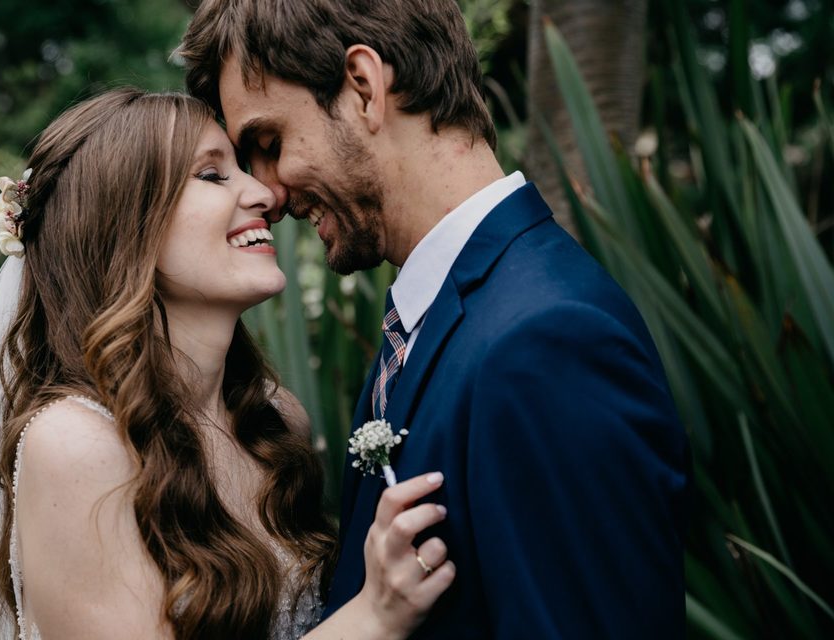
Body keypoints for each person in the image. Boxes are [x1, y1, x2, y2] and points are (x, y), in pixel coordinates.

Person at [178, 1, 691, 638]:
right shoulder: (437, 319)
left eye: (269, 143)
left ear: (364, 87)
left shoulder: (546, 341)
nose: (270, 193)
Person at [0, 88, 457, 639]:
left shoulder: (273, 422)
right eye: (212, 175)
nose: (266, 194)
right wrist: (374, 616)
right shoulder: (76, 445)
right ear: (125, 223)